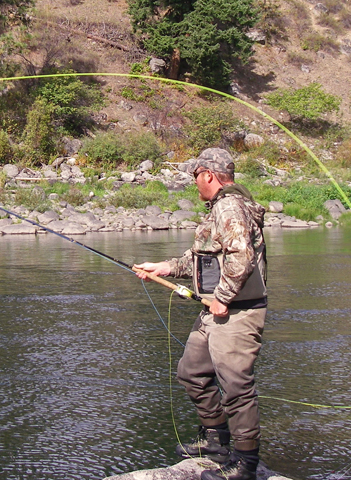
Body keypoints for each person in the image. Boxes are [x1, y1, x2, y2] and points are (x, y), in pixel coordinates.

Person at [134, 148, 267, 480]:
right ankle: (216, 440)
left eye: (195, 177)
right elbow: (200, 261)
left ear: (208, 174)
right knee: (191, 371)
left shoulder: (230, 207)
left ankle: (246, 464)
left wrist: (222, 297)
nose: (195, 184)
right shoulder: (220, 209)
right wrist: (162, 268)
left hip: (238, 312)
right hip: (216, 312)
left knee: (235, 386)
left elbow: (242, 258)